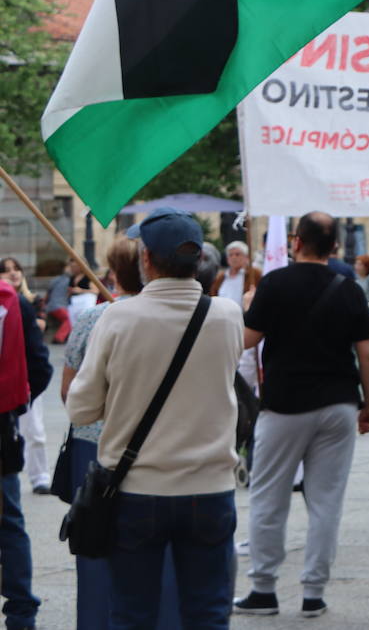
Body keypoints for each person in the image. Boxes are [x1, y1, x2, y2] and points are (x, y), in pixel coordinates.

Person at [66, 208, 243, 628]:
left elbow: (81, 409)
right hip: (211, 488)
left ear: (146, 258)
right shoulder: (228, 315)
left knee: (133, 614)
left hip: (137, 491)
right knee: (209, 614)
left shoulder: (117, 318)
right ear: (199, 259)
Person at [234, 211, 369, 618]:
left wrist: (246, 307)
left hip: (284, 405)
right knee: (326, 500)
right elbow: (367, 354)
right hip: (337, 404)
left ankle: (263, 588)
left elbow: (246, 341)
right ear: (335, 246)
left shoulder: (274, 284)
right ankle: (313, 592)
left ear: (296, 241)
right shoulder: (349, 288)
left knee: (268, 495)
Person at [62, 238, 181, 630]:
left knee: (95, 541)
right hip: (153, 447)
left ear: (114, 272)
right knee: (156, 548)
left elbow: (69, 390)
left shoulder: (94, 319)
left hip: (93, 446)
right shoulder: (170, 316)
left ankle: (96, 622)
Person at [0, 269, 48, 630]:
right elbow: (40, 366)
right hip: (1, 426)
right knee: (10, 523)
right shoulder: (12, 301)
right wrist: (16, 404)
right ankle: (20, 614)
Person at [1, 259, 49, 495]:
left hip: (26, 380)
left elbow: (40, 328)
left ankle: (39, 476)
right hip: (7, 384)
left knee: (35, 431)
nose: (12, 274)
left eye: (15, 269)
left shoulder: (28, 301)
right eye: (6, 270)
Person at [211, 240, 263, 394]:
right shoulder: (221, 277)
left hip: (244, 325)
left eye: (238, 254)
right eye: (231, 255)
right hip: (223, 326)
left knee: (246, 365)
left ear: (246, 257)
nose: (234, 258)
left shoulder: (254, 275)